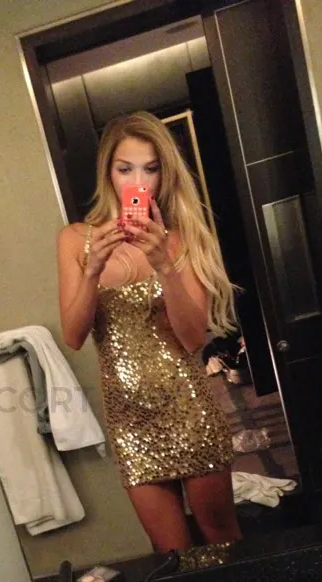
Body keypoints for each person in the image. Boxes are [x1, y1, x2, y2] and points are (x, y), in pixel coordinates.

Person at [56, 111, 242, 552]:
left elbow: (193, 339)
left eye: (150, 169)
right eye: (126, 169)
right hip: (130, 422)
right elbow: (74, 336)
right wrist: (92, 271)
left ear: (163, 174)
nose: (138, 181)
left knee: (223, 541)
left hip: (189, 410)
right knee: (170, 554)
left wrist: (165, 265)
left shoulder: (181, 241)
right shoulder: (75, 240)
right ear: (108, 172)